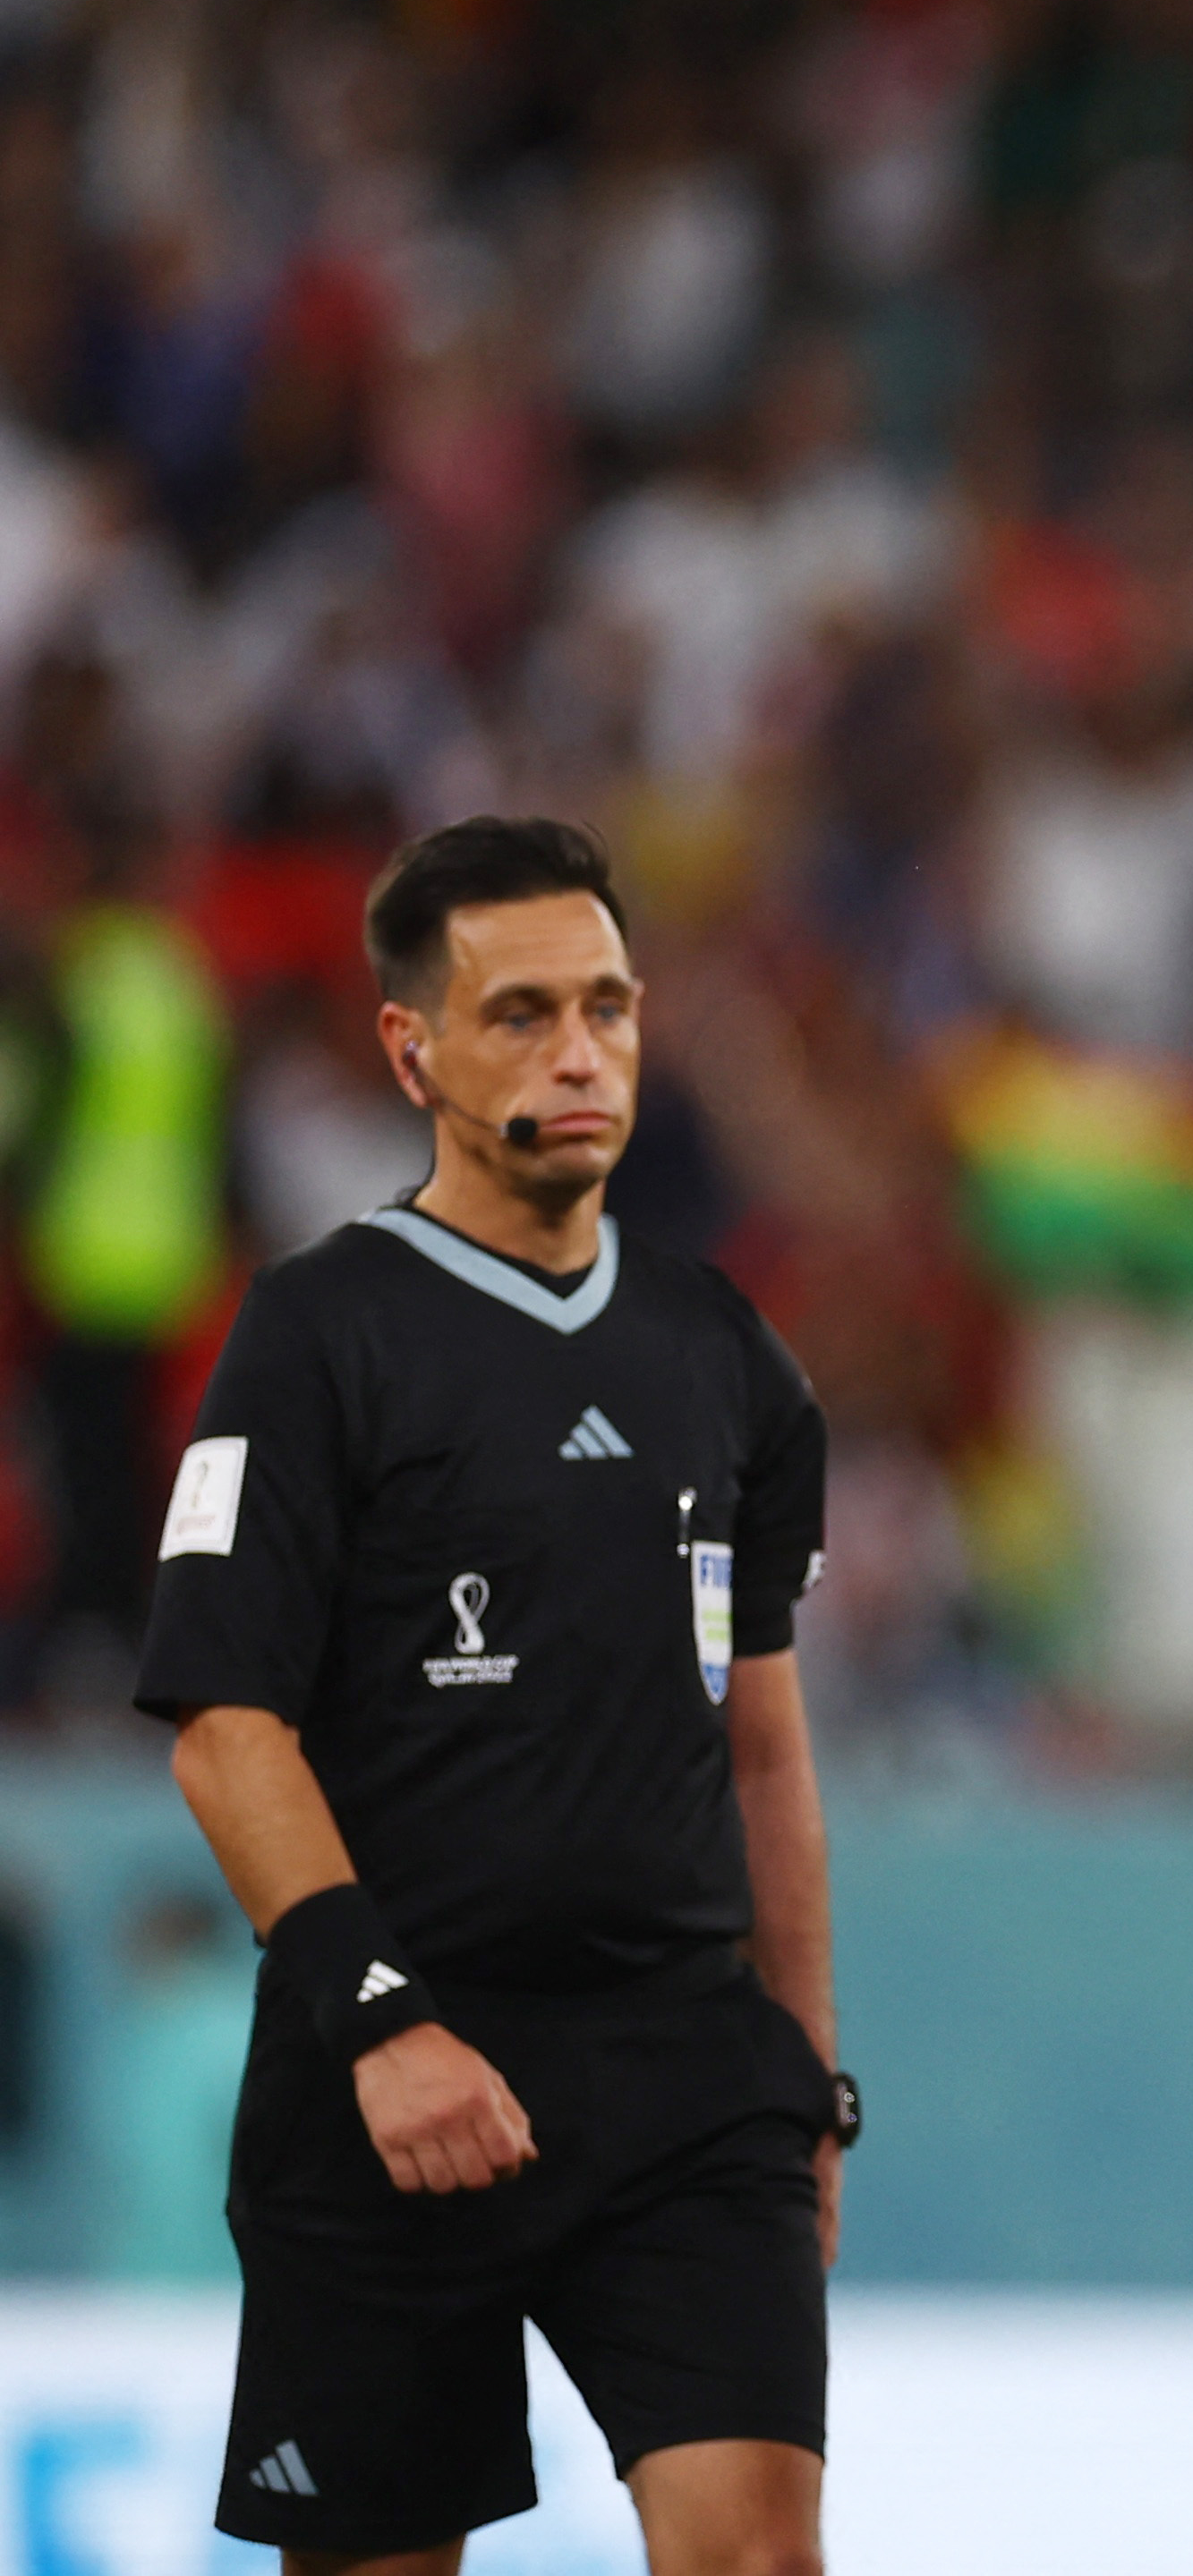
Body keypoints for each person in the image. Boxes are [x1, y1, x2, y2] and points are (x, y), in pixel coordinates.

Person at [137, 817, 846, 2574]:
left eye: (606, 1004)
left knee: (759, 2550)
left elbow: (763, 1752)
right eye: (521, 1013)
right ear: (412, 1051)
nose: (580, 1049)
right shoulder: (315, 1335)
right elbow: (229, 1735)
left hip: (686, 2080)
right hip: (390, 2077)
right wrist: (383, 2026)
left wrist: (808, 2080)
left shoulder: (726, 1352)